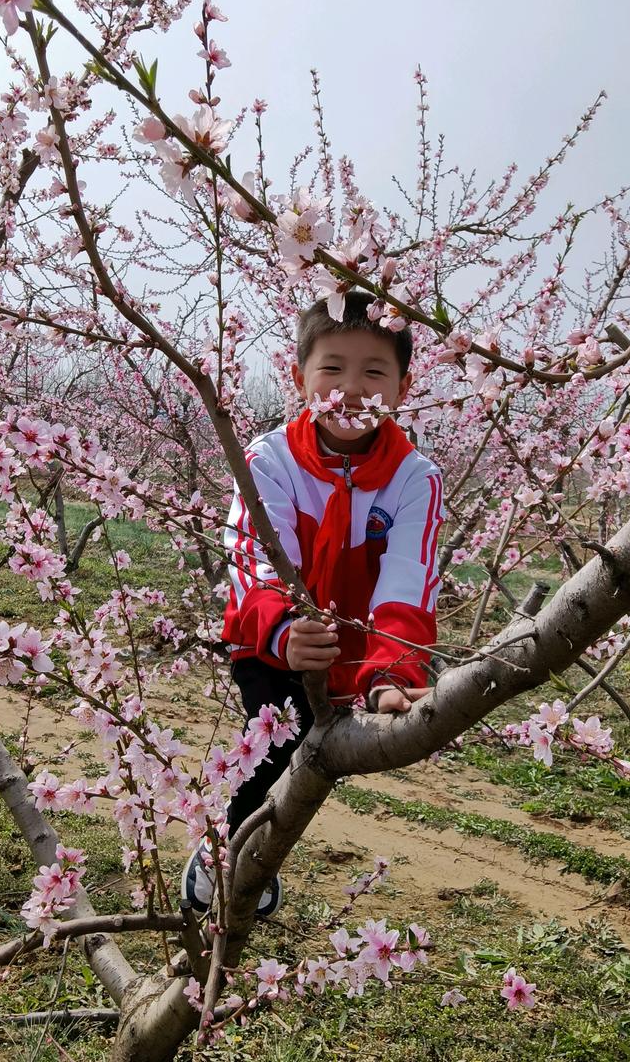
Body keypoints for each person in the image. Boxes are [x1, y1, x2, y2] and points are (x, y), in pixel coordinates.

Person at [181, 290, 445, 917]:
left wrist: (391, 671)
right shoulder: (270, 459)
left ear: (403, 389)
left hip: (355, 655)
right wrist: (282, 630)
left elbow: (409, 580)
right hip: (269, 644)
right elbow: (253, 555)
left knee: (314, 766)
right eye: (332, 369)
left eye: (374, 372)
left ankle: (255, 857)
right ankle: (225, 854)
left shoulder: (415, 479)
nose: (351, 389)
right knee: (278, 745)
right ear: (299, 379)